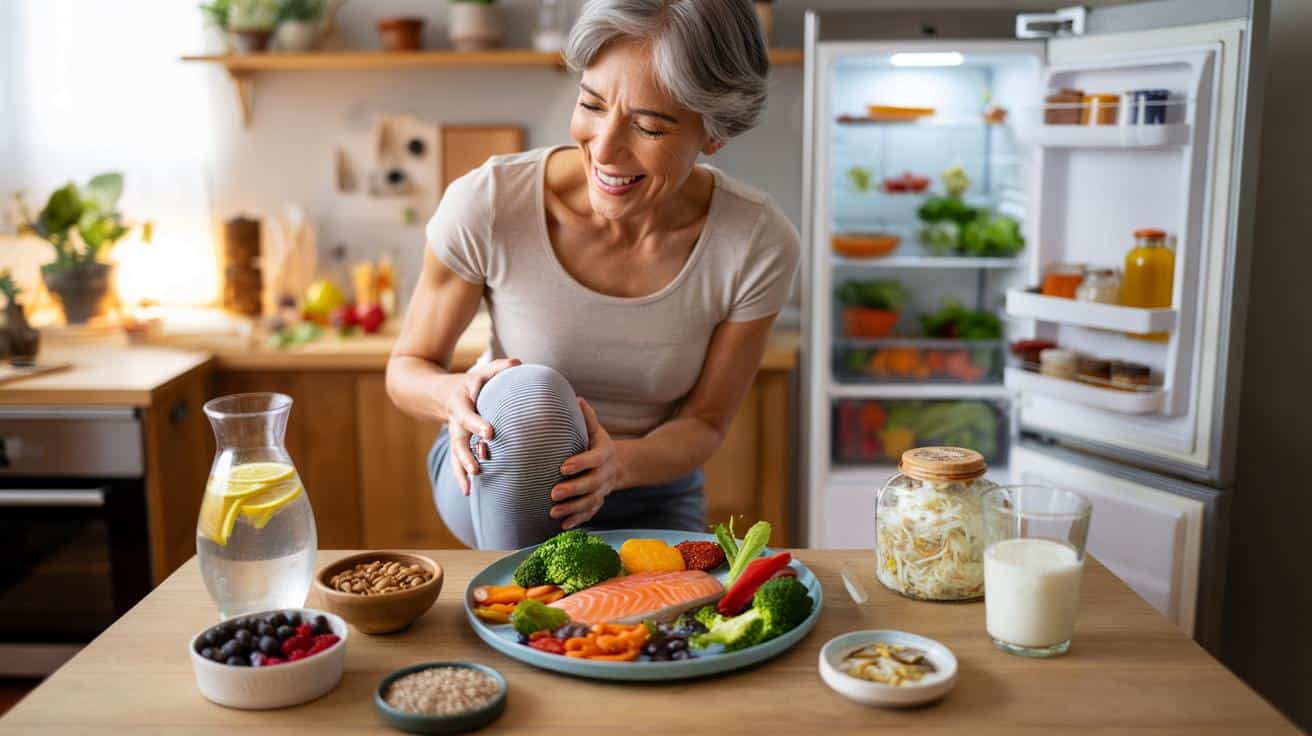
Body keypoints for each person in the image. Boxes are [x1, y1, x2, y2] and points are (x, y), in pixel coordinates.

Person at [386, 0, 800, 550]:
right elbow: (407, 368)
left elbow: (704, 424)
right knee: (534, 393)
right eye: (591, 104)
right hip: (500, 465)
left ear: (714, 132)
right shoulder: (489, 203)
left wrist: (615, 466)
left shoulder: (755, 242)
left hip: (649, 484)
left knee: (664, 631)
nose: (604, 150)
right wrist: (452, 396)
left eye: (649, 127)